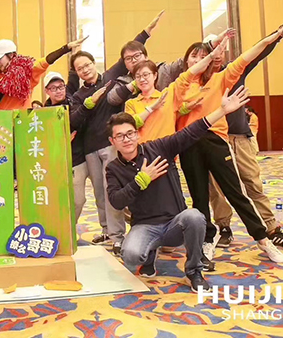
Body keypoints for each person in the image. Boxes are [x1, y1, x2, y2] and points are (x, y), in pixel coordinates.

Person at [176, 17, 283, 266]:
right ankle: (207, 239)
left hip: (216, 141)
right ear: (187, 61)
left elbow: (249, 56)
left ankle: (263, 239)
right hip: (188, 145)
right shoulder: (180, 85)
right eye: (194, 56)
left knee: (237, 193)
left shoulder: (220, 78)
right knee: (200, 198)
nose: (198, 60)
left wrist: (278, 33)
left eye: (203, 56)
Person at [106, 87, 250, 292]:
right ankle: (150, 252)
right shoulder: (113, 168)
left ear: (137, 134)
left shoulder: (158, 148)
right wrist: (141, 180)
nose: (126, 139)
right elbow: (116, 201)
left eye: (130, 133)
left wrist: (222, 111)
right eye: (120, 136)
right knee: (130, 255)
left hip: (175, 223)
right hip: (144, 226)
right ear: (112, 142)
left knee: (195, 217)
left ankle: (194, 271)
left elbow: (191, 132)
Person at [71, 12, 164, 254]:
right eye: (80, 69)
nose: (85, 70)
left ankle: (118, 236)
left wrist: (146, 31)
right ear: (77, 73)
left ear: (94, 64)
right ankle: (107, 230)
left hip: (111, 144)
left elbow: (130, 55)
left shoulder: (110, 78)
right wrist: (87, 105)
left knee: (111, 190)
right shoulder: (78, 96)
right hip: (90, 150)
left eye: (87, 65)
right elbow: (73, 121)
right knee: (99, 194)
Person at [43, 69, 109, 223]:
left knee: (101, 194)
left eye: (61, 86)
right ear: (47, 91)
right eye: (53, 88)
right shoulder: (44, 114)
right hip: (69, 161)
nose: (58, 91)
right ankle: (67, 229)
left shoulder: (75, 101)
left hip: (87, 154)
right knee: (74, 200)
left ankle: (107, 228)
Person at [0, 37, 86, 110]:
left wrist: (66, 48)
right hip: (3, 121)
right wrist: (4, 86)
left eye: (0, 59)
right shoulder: (0, 76)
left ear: (11, 55)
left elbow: (46, 61)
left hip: (20, 119)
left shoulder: (26, 71)